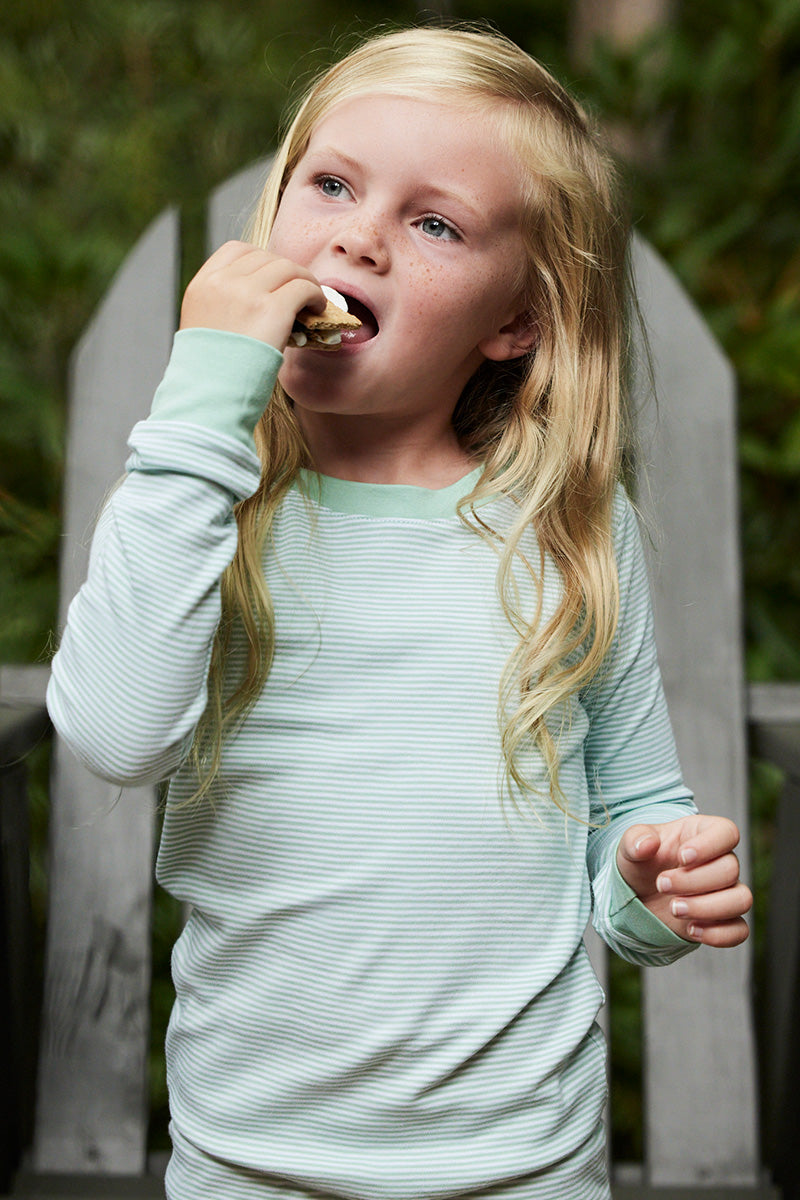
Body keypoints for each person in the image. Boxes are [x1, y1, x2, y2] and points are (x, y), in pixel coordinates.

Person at [47, 23, 752, 1200]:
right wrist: (200, 402)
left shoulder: (565, 534)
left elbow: (632, 820)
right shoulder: (197, 501)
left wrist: (649, 889)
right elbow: (115, 735)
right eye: (328, 184)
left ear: (512, 322)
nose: (356, 236)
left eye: (432, 224)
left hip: (525, 1165)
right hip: (247, 1162)